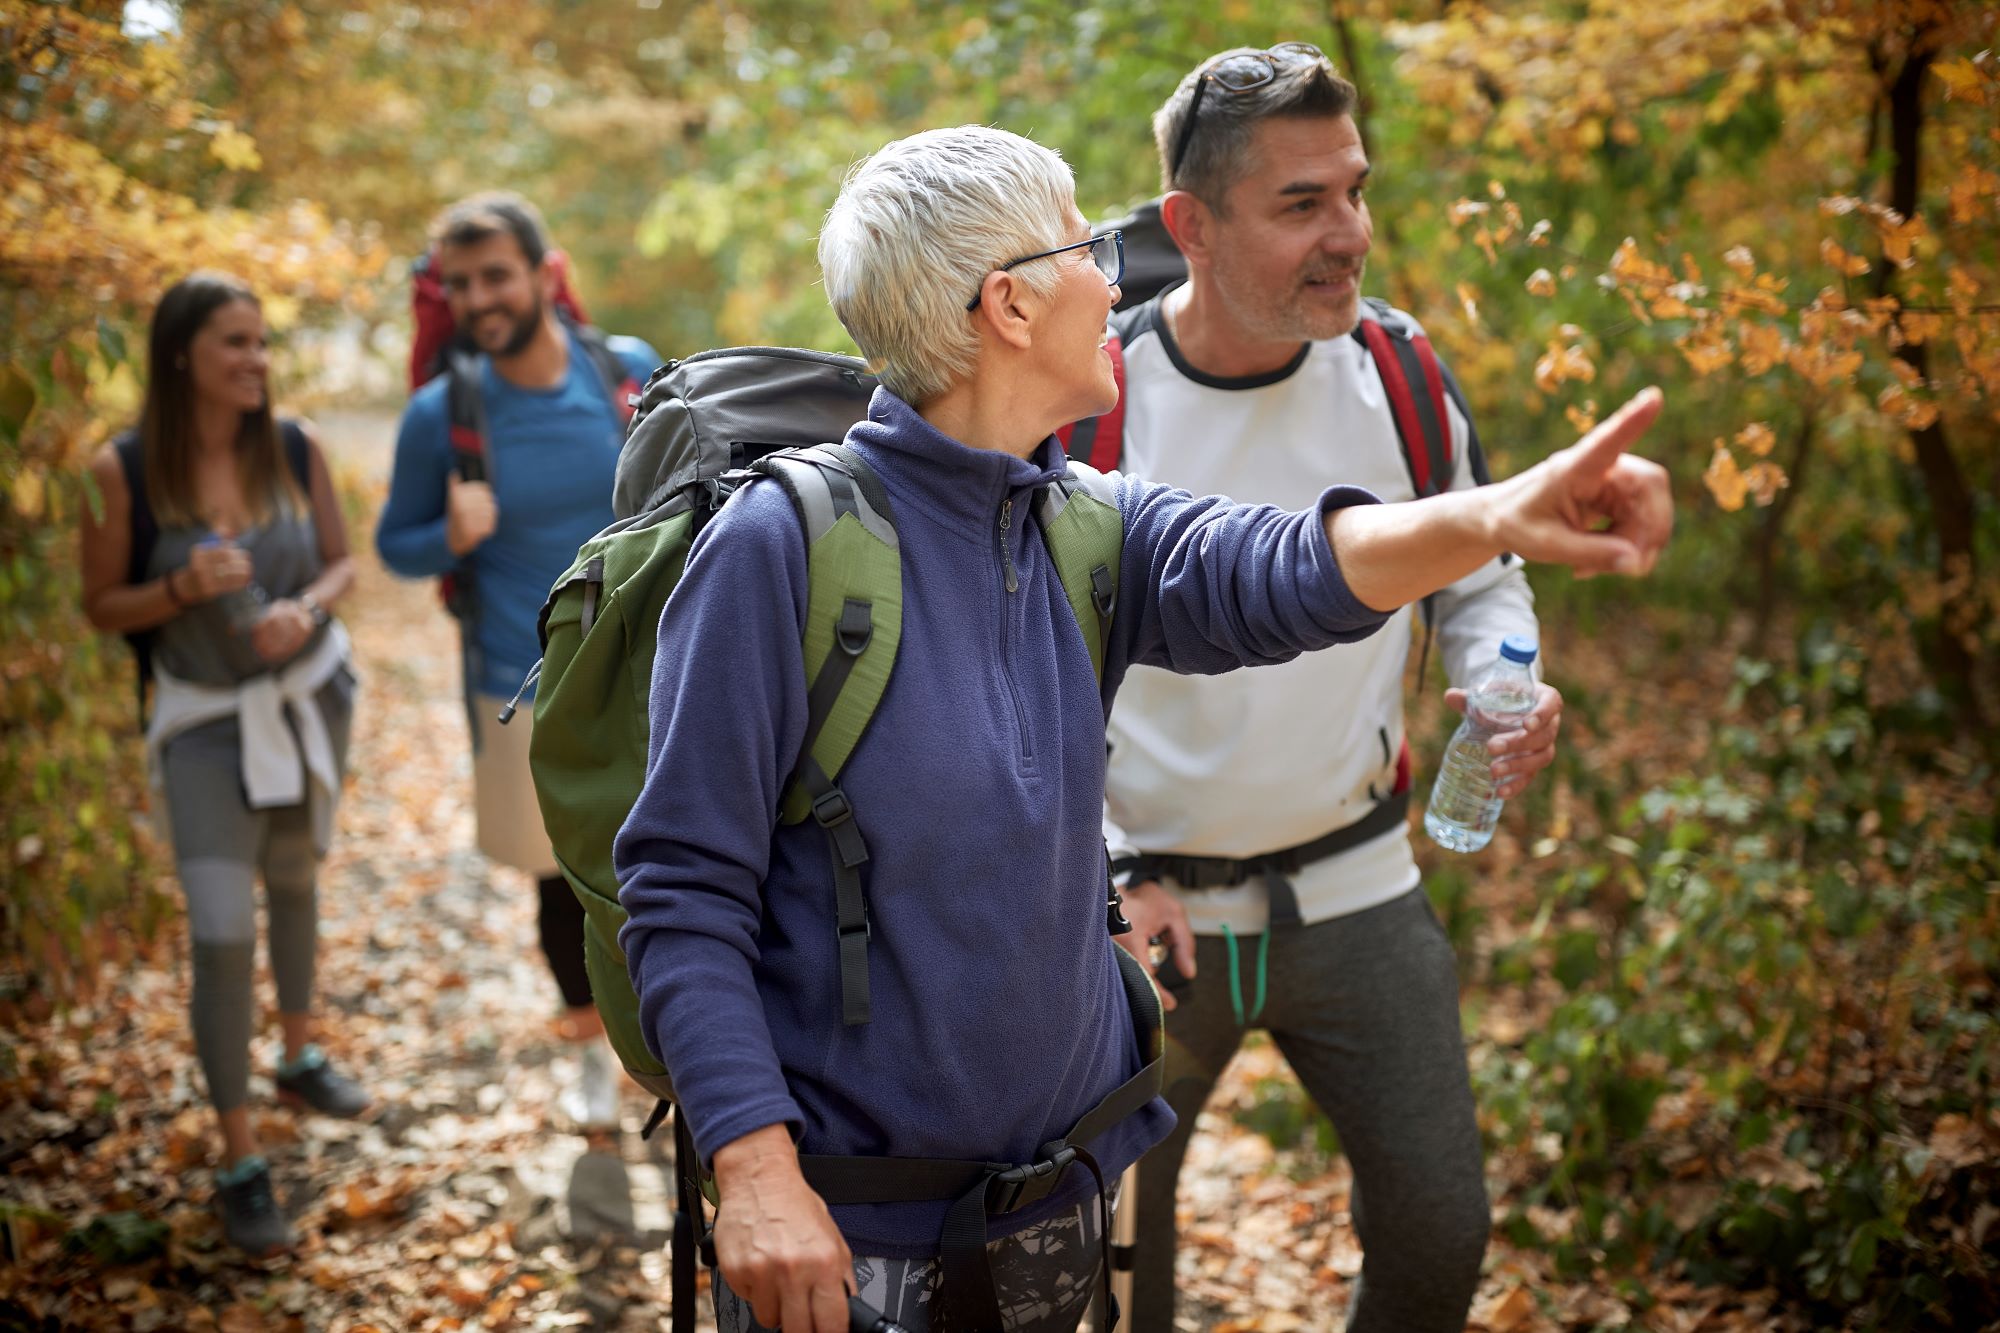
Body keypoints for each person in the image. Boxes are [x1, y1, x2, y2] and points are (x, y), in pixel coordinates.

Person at [613, 124, 1671, 1333]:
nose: (1116, 277)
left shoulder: (1079, 523)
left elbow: (1288, 567)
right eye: (1087, 246)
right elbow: (684, 889)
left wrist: (1500, 512)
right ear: (1007, 305)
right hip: (851, 1238)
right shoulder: (778, 549)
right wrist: (751, 1171)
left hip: (1054, 1210)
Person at [1090, 44, 1569, 1333]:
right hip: (1143, 921)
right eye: (1300, 204)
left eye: (1352, 192)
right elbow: (1009, 675)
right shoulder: (1090, 403)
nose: (1348, 234)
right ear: (1189, 225)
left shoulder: (1401, 375)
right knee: (1112, 1273)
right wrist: (1097, 871)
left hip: (1357, 890)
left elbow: (1477, 575)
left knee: (1438, 1228)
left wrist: (1497, 678)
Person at [80, 272, 366, 1257]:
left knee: (293, 878)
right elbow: (101, 605)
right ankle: (243, 1159)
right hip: (200, 722)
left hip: (302, 703)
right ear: (179, 356)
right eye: (233, 344)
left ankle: (296, 1053)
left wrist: (309, 610)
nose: (255, 361)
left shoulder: (294, 447)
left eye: (260, 343)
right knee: (217, 928)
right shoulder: (120, 471)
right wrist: (179, 586)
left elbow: (341, 563)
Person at [376, 193, 660, 1129]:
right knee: (564, 882)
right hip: (521, 681)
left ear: (545, 273)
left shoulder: (625, 374)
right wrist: (447, 534)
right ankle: (589, 1052)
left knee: (675, 864)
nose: (479, 297)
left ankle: (677, 1046)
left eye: (495, 274)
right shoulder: (440, 415)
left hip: (652, 668)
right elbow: (395, 547)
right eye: (459, 283)